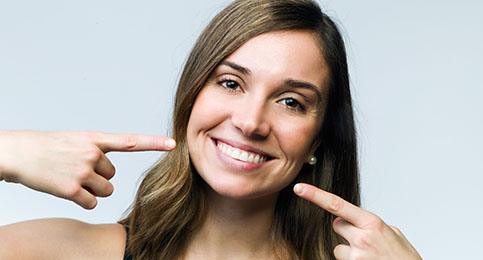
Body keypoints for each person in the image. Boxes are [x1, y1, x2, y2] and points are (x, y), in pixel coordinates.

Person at [0, 0, 422, 259]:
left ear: (318, 138)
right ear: (191, 98)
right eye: (231, 83)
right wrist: (7, 153)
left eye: (291, 102)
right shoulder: (71, 253)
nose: (251, 121)